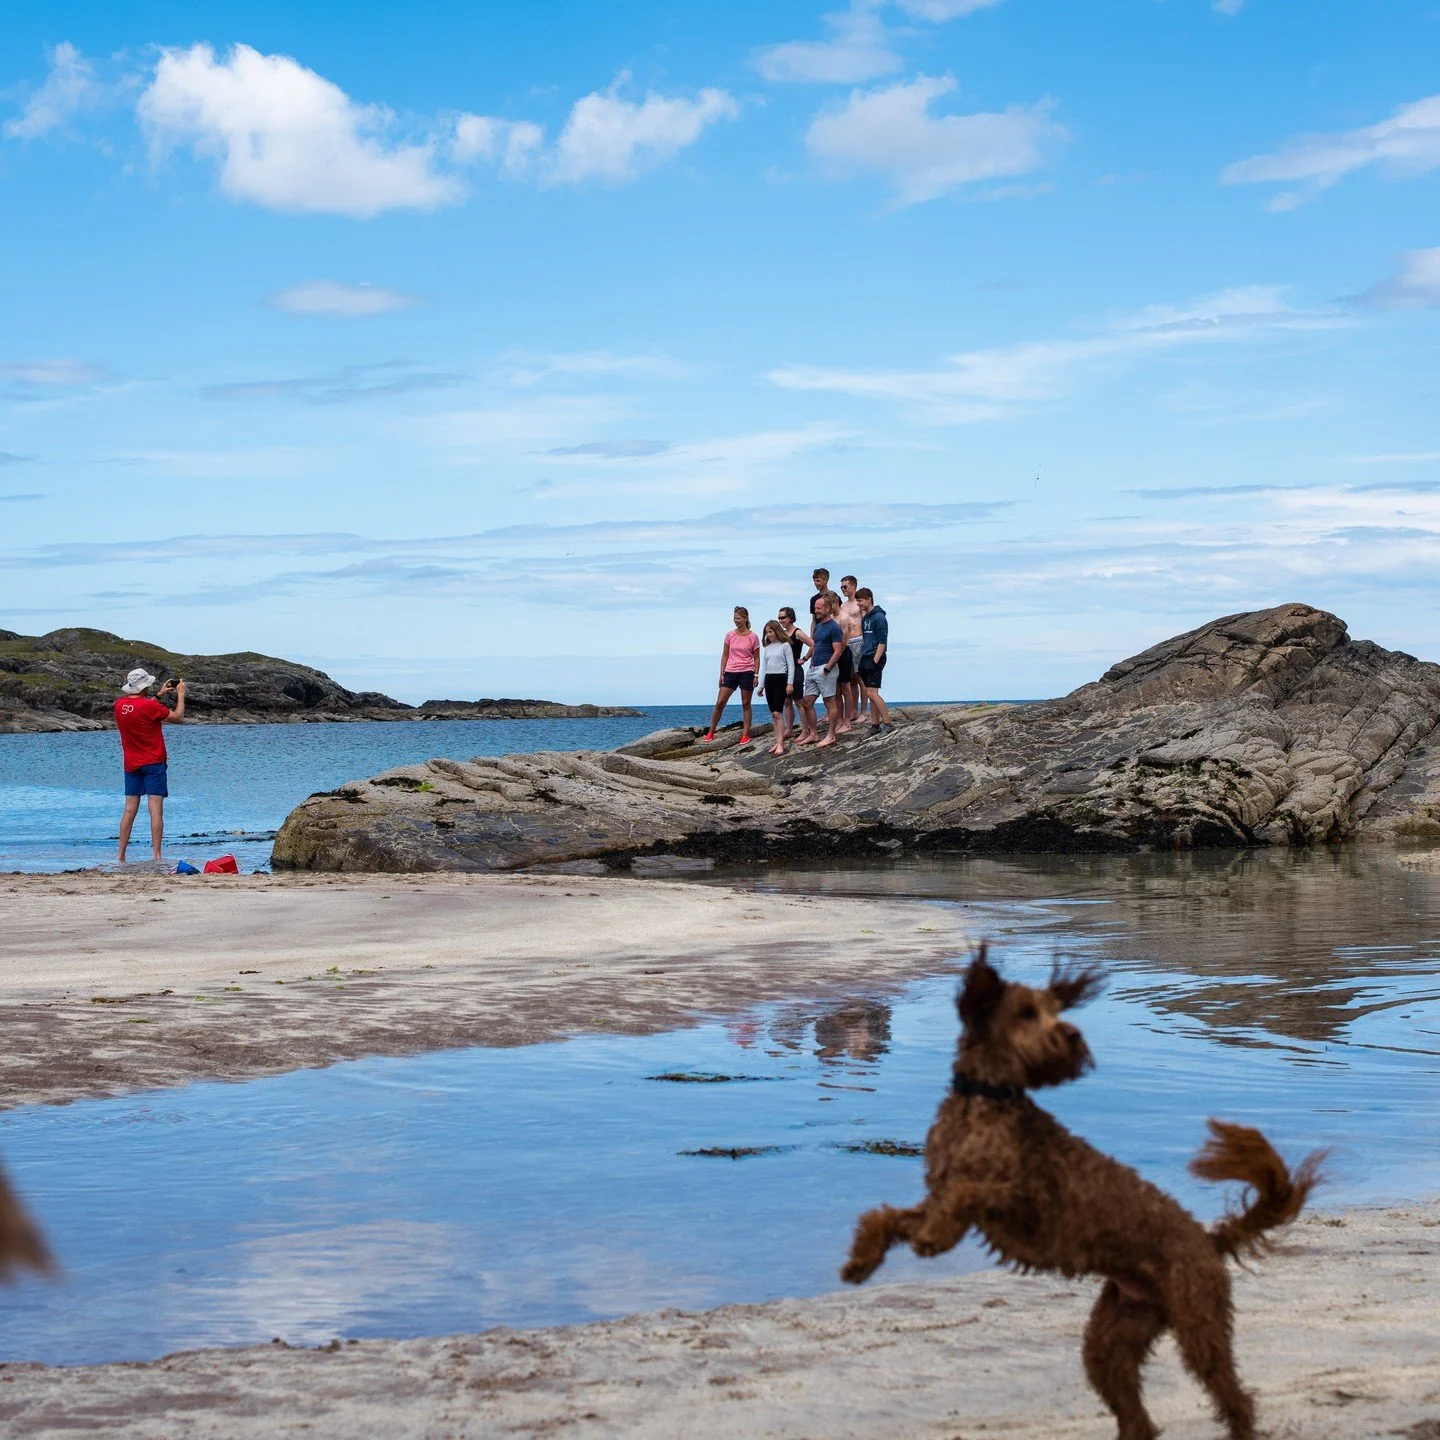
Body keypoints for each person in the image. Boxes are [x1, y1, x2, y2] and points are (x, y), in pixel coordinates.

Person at [114, 667, 186, 863]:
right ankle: (156, 855)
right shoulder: (150, 707)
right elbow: (178, 717)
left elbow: (140, 707)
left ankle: (120, 856)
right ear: (145, 687)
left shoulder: (119, 705)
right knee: (155, 809)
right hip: (153, 762)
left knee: (129, 809)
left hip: (131, 763)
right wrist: (180, 694)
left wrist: (159, 695)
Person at [703, 606, 761, 744]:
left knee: (746, 703)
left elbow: (757, 657)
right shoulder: (730, 635)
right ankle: (711, 731)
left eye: (738, 618)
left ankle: (745, 735)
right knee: (720, 702)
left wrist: (756, 675)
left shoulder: (753, 637)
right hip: (730, 671)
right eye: (734, 618)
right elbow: (725, 655)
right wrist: (721, 673)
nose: (736, 620)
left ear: (745, 618)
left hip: (747, 671)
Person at [800, 592, 846, 749]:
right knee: (807, 702)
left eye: (819, 608)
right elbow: (815, 646)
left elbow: (838, 650)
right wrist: (806, 660)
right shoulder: (818, 627)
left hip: (826, 668)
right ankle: (813, 734)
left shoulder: (834, 627)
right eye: (815, 608)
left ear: (828, 608)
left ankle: (831, 735)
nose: (816, 611)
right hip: (813, 668)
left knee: (829, 702)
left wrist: (828, 667)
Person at [758, 620, 796, 756]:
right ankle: (778, 740)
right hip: (769, 679)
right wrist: (761, 685)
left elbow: (791, 665)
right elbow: (764, 668)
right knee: (773, 714)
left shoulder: (785, 645)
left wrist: (790, 683)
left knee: (777, 713)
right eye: (766, 632)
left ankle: (781, 743)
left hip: (780, 679)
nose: (768, 634)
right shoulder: (767, 648)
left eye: (770, 631)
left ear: (776, 631)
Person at [856, 587, 892, 734]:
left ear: (869, 599)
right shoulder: (865, 618)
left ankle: (888, 724)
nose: (859, 604)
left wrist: (875, 659)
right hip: (865, 657)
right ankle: (875, 725)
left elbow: (883, 641)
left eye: (860, 601)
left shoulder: (879, 617)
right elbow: (866, 638)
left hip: (875, 658)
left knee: (872, 693)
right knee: (871, 693)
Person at [777, 606, 810, 740]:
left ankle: (805, 731)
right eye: (779, 618)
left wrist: (805, 659)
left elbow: (813, 644)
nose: (780, 620)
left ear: (790, 618)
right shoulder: (782, 635)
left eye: (783, 617)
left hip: (796, 670)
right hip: (784, 672)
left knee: (799, 701)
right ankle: (789, 729)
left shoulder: (797, 632)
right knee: (786, 701)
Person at [838, 575, 864, 728]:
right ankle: (853, 710)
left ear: (853, 586)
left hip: (859, 640)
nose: (843, 589)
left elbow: (865, 621)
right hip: (847, 644)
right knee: (852, 678)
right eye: (841, 587)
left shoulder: (858, 604)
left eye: (845, 587)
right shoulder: (843, 606)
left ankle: (862, 712)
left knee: (861, 678)